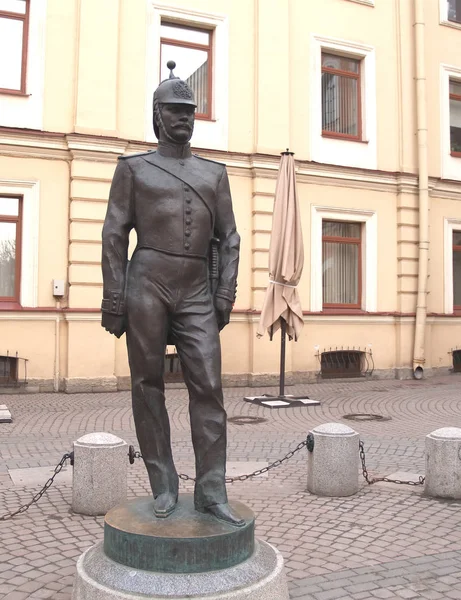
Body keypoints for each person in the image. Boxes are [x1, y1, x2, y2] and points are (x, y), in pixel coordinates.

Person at [100, 62, 243, 527]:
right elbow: (114, 235)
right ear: (157, 115)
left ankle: (211, 490)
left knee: (209, 388)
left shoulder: (213, 174)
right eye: (174, 111)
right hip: (147, 283)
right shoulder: (133, 169)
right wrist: (114, 298)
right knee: (147, 385)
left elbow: (229, 238)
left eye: (189, 111)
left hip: (198, 287)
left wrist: (225, 294)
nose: (184, 117)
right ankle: (163, 484)